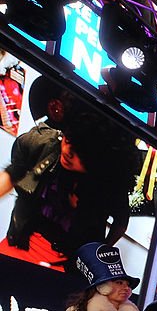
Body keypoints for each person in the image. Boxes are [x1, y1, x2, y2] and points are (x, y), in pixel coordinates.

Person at [0, 106, 134, 271]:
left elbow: (121, 221)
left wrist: (99, 251)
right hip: (20, 244)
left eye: (80, 152)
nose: (68, 152)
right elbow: (15, 172)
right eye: (68, 140)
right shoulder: (43, 144)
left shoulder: (110, 184)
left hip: (67, 264)